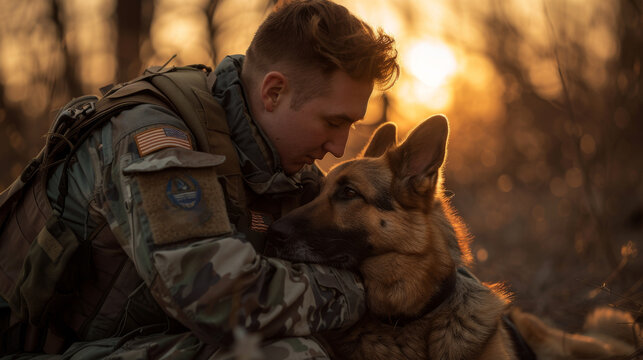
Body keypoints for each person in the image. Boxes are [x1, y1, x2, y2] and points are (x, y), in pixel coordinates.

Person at [0, 0, 398, 358]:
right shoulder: (153, 140)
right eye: (333, 122)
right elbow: (221, 302)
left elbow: (394, 254)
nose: (340, 148)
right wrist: (361, 291)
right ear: (273, 92)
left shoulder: (281, 169)